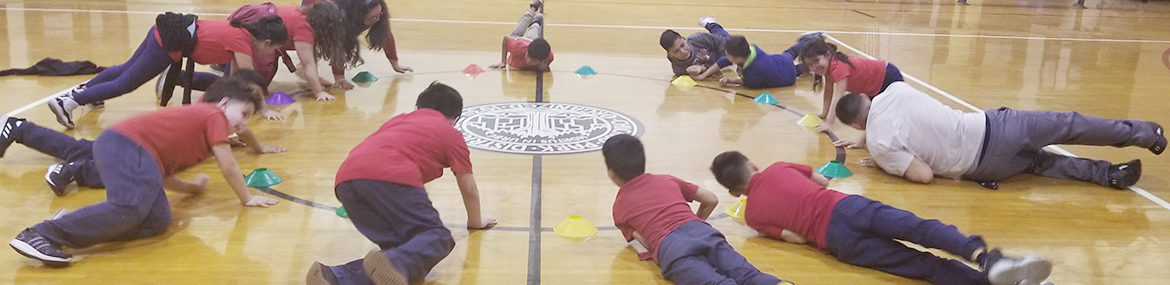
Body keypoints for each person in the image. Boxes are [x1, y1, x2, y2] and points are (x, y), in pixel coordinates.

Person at [10, 74, 281, 268]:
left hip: (133, 151)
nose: (243, 123)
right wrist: (246, 198)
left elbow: (159, 176)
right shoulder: (214, 116)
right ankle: (41, 234)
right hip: (125, 143)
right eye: (243, 114)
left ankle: (72, 224)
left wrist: (191, 188)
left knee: (156, 221)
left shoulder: (200, 135)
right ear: (223, 103)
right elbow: (229, 165)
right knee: (130, 206)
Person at [710, 152, 1056, 285]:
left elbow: (794, 238)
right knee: (923, 229)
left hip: (837, 242)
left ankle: (990, 284)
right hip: (847, 208)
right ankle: (986, 258)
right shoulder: (779, 165)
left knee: (922, 265)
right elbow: (821, 181)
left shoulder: (753, 216)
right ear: (752, 163)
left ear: (733, 192)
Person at [307, 82, 495, 285]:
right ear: (455, 119)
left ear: (417, 108)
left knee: (404, 251)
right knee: (437, 237)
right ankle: (381, 268)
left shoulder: (398, 121)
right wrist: (475, 222)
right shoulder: (450, 134)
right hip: (389, 177)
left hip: (346, 182)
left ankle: (334, 277)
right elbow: (469, 188)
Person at [0, 71, 285, 197]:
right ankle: (75, 170)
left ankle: (20, 129)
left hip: (134, 143)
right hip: (137, 146)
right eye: (251, 105)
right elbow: (237, 142)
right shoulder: (214, 116)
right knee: (129, 174)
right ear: (230, 99)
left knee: (86, 148)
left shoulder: (216, 108)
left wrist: (258, 148)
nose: (252, 113)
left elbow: (242, 130)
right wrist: (257, 154)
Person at [833, 81, 1165, 189]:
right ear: (865, 98)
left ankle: (1109, 176)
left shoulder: (879, 144)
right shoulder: (894, 89)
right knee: (1068, 124)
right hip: (995, 129)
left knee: (1043, 165)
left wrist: (879, 160)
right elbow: (906, 118)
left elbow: (923, 175)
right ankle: (1146, 134)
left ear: (857, 126)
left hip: (986, 169)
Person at [604, 134, 785, 285]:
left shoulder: (619, 208)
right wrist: (697, 221)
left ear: (612, 174)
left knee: (715, 283)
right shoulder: (667, 180)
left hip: (672, 248)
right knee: (748, 275)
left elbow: (648, 242)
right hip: (702, 231)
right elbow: (710, 199)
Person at [47, 16, 288, 128]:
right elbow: (246, 81)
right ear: (266, 42)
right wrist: (264, 109)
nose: (272, 54)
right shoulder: (242, 43)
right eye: (275, 49)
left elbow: (232, 81)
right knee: (127, 83)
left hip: (161, 30)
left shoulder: (242, 34)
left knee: (125, 69)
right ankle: (69, 101)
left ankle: (86, 92)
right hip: (167, 43)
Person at [798, 37, 904, 133]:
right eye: (810, 65)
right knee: (875, 117)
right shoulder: (829, 68)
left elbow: (838, 97)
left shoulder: (838, 67)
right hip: (874, 85)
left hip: (887, 76)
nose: (814, 67)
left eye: (817, 61)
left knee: (883, 117)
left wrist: (829, 123)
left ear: (828, 55)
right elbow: (828, 91)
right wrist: (824, 114)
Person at [302, 0, 414, 89]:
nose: (378, 19)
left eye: (380, 14)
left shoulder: (373, 14)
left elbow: (385, 35)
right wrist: (339, 78)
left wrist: (395, 64)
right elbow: (338, 45)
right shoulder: (340, 18)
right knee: (312, 44)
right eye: (373, 17)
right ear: (358, 15)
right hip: (314, 7)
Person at [695, 32, 821, 89]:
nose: (725, 56)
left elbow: (747, 83)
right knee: (792, 51)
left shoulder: (753, 72)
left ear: (735, 57)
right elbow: (724, 61)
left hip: (787, 77)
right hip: (781, 60)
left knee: (800, 68)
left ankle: (809, 63)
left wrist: (730, 81)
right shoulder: (750, 50)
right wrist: (704, 75)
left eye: (727, 54)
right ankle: (814, 39)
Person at [488, 0, 553, 71]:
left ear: (542, 61)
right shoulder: (518, 47)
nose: (528, 60)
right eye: (527, 55)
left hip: (529, 42)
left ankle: (536, 21)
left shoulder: (548, 57)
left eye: (533, 61)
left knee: (533, 33)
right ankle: (533, 9)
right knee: (517, 33)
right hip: (523, 43)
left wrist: (546, 67)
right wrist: (503, 62)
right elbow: (506, 39)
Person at [660, 17, 729, 78]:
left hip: (719, 48)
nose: (683, 51)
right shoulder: (679, 68)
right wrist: (701, 69)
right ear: (670, 54)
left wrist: (725, 57)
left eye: (682, 45)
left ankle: (710, 23)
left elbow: (723, 41)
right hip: (717, 62)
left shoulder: (697, 39)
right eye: (676, 51)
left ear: (684, 39)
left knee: (728, 39)